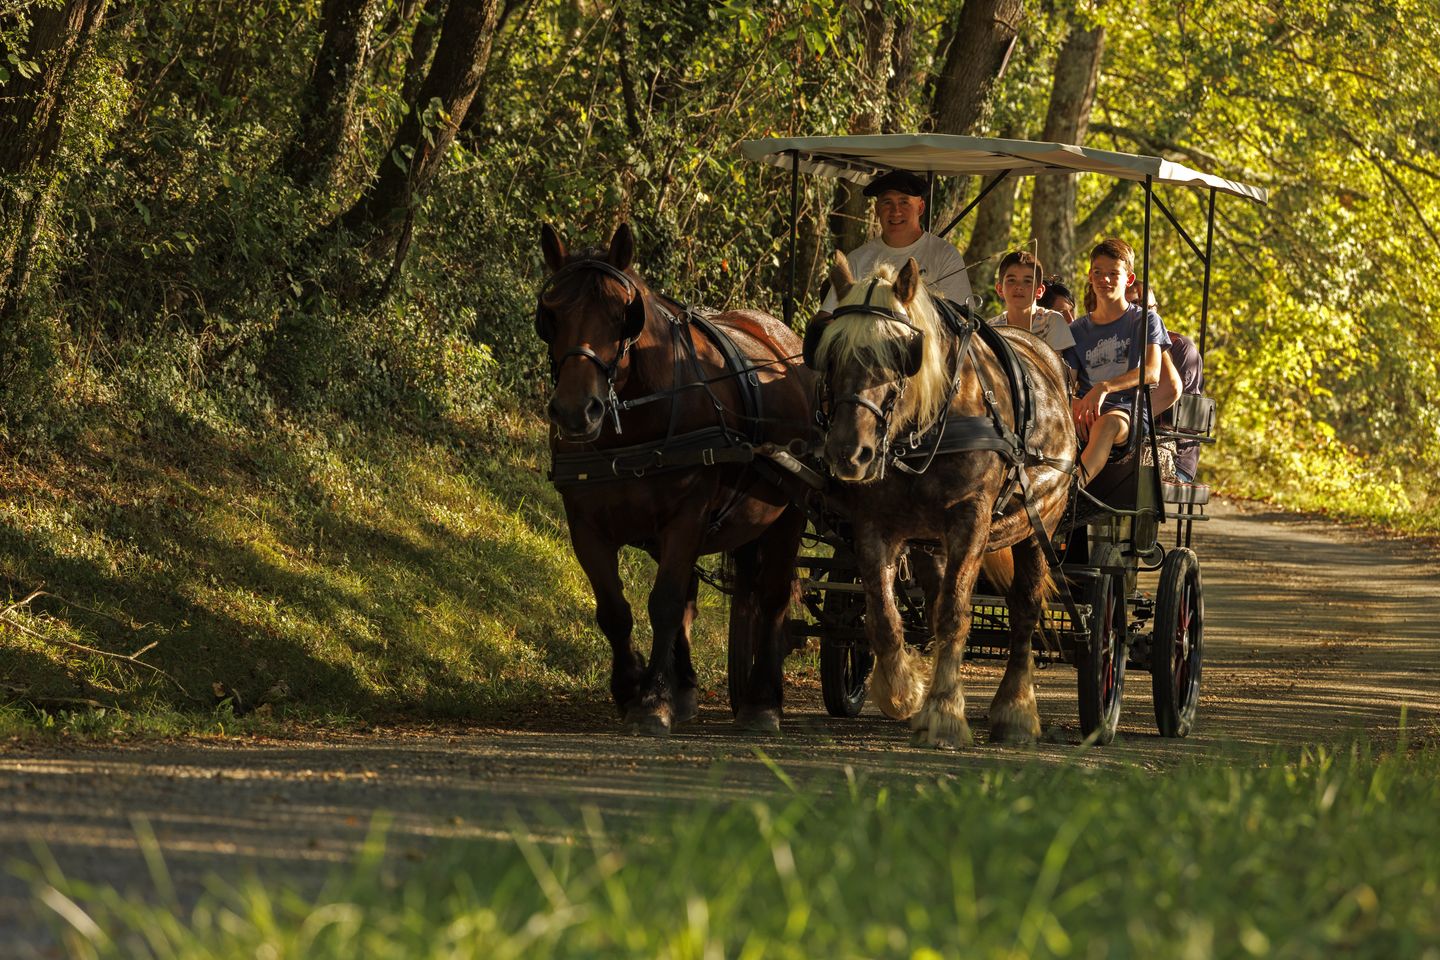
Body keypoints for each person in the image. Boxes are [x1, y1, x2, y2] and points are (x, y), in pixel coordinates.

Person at [1062, 237, 1171, 486]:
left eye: (1113, 273)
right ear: (1090, 276)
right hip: (1086, 412)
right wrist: (1074, 403)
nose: (1105, 279)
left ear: (1129, 279)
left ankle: (1071, 492)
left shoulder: (1145, 321)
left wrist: (1105, 387)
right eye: (1098, 272)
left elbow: (1152, 372)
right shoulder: (1077, 330)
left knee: (1106, 424)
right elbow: (1067, 382)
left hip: (1126, 412)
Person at [820, 170, 973, 312]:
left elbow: (960, 319)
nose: (895, 211)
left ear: (920, 208)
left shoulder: (945, 256)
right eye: (887, 202)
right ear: (877, 209)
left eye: (904, 202)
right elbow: (827, 316)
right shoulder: (857, 260)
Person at [986, 251, 1075, 354]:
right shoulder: (990, 328)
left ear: (1039, 291)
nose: (1019, 287)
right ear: (1000, 289)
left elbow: (1053, 363)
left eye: (1027, 281)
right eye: (1011, 280)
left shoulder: (1052, 321)